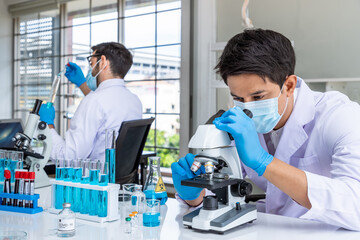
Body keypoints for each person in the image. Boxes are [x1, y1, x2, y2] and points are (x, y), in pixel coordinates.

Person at [171, 29, 360, 231]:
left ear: (288, 85)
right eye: (238, 98)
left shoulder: (340, 116)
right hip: (270, 229)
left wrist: (264, 162)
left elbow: (355, 205)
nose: (247, 107)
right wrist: (194, 196)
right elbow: (221, 186)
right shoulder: (242, 123)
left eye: (258, 97)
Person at [39, 42, 142, 161]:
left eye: (91, 63)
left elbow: (67, 158)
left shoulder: (94, 101)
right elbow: (104, 107)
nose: (91, 70)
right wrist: (82, 84)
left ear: (102, 61)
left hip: (95, 177)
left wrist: (47, 125)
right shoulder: (134, 101)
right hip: (118, 178)